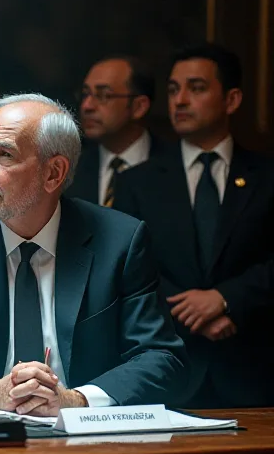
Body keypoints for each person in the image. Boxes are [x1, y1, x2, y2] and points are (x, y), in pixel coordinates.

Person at [0, 93, 185, 416]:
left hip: (87, 434)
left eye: (3, 154)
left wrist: (75, 401)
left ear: (54, 173)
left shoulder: (120, 241)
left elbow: (161, 359)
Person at [113, 44, 274, 408]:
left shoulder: (266, 176)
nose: (180, 100)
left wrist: (226, 299)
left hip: (253, 370)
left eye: (196, 88)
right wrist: (192, 313)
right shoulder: (137, 182)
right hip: (169, 369)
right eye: (173, 90)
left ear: (231, 99)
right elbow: (128, 268)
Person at [68, 56, 167, 206]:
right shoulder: (71, 167)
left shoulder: (173, 165)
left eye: (104, 95)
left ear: (139, 107)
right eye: (85, 94)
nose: (87, 106)